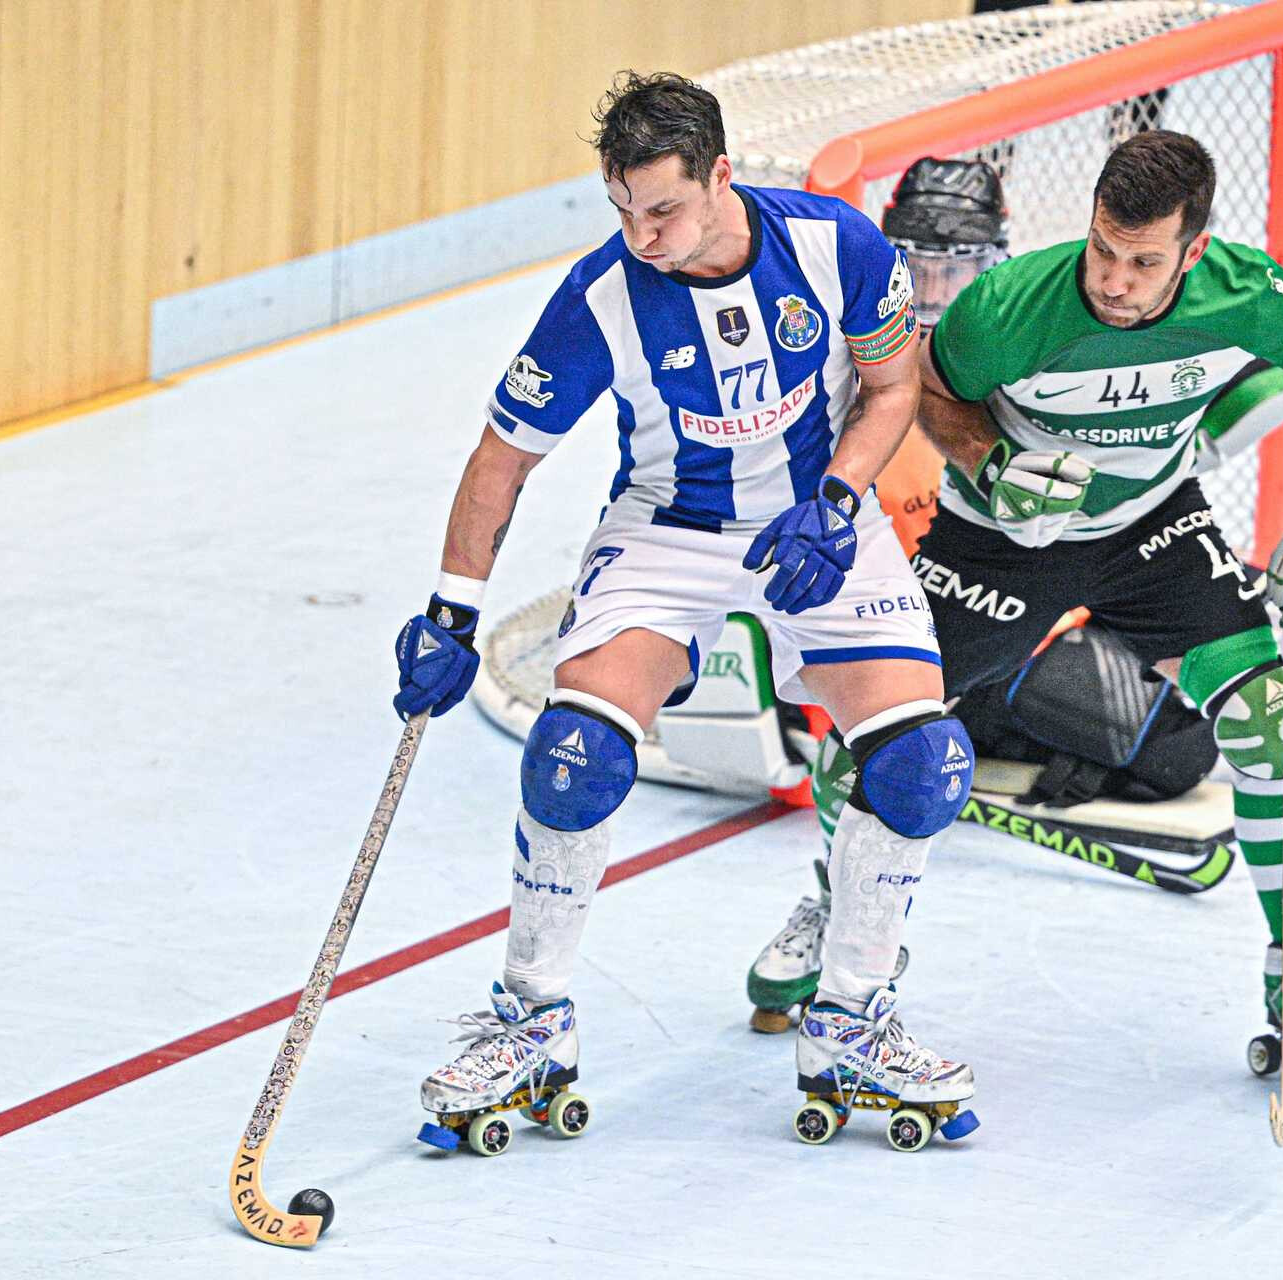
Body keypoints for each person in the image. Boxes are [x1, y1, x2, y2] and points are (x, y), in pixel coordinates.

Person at [391, 71, 978, 1154]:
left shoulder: (834, 244)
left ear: (719, 176)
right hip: (671, 529)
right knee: (572, 752)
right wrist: (450, 609)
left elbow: (895, 388)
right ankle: (533, 1020)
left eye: (662, 210)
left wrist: (840, 502)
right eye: (622, 211)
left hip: (821, 523)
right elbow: (500, 459)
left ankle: (850, 1017)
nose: (643, 236)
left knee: (921, 763)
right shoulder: (601, 297)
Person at [751, 132, 1283, 1094]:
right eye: (1104, 250)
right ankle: (836, 917)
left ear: (1193, 251)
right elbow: (927, 387)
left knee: (1274, 721)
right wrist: (991, 464)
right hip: (1000, 542)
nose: (1117, 281)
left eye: (1144, 263)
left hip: (1152, 529)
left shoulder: (1246, 295)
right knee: (881, 737)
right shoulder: (1010, 310)